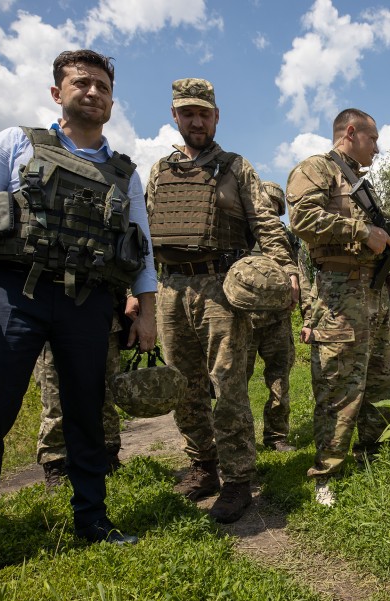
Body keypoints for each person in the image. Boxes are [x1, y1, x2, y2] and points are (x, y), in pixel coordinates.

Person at [0, 49, 157, 597]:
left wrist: (146, 314)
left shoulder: (124, 172)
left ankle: (92, 520)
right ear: (57, 93)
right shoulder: (16, 143)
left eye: (102, 85)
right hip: (15, 292)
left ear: (111, 98)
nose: (93, 92)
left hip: (89, 303)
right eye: (81, 83)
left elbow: (142, 251)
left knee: (86, 416)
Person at [147, 78, 299, 523]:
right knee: (184, 386)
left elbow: (267, 225)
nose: (196, 120)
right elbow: (143, 238)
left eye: (204, 113)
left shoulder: (237, 168)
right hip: (170, 288)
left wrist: (288, 271)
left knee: (228, 385)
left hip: (220, 290)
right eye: (187, 113)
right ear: (175, 116)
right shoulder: (159, 171)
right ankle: (203, 466)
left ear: (216, 117)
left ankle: (237, 480)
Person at [286, 108, 390, 505]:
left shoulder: (359, 183)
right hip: (337, 296)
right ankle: (326, 473)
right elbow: (301, 218)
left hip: (372, 295)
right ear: (350, 132)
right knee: (337, 383)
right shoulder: (316, 169)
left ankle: (374, 458)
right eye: (373, 138)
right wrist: (362, 231)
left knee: (381, 380)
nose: (378, 148)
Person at [34, 296, 125, 488]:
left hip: (101, 314)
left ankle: (108, 456)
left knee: (105, 395)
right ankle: (56, 463)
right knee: (54, 398)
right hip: (52, 315)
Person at [243, 181, 299, 453]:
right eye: (268, 206)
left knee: (279, 381)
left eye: (277, 208)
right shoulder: (239, 234)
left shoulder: (286, 239)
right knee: (236, 382)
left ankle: (276, 437)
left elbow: (298, 274)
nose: (272, 212)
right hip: (244, 320)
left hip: (277, 320)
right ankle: (238, 439)